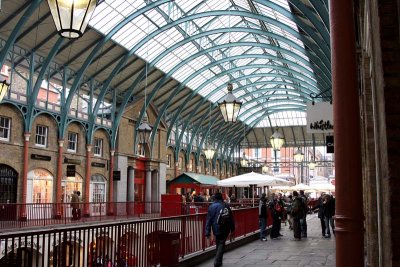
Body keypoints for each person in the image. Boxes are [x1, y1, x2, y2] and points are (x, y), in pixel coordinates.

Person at [205, 192, 235, 267]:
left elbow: (209, 220)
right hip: (225, 227)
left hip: (216, 228)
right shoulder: (226, 205)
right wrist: (232, 229)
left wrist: (207, 232)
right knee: (221, 243)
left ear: (215, 198)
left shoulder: (211, 206)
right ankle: (217, 262)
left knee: (218, 243)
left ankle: (219, 261)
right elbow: (231, 218)